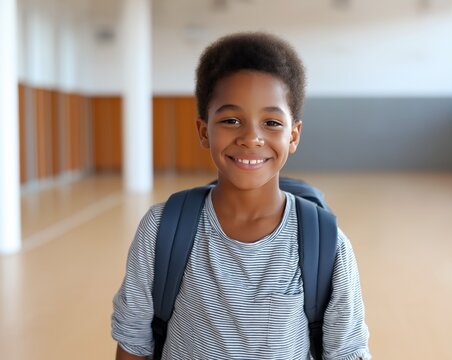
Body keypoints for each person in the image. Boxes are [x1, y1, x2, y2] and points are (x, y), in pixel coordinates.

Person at [112, 32, 371, 360]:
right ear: (204, 131)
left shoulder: (326, 243)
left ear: (294, 135)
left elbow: (346, 350)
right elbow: (133, 340)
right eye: (231, 120)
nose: (251, 138)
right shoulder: (162, 227)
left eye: (272, 122)